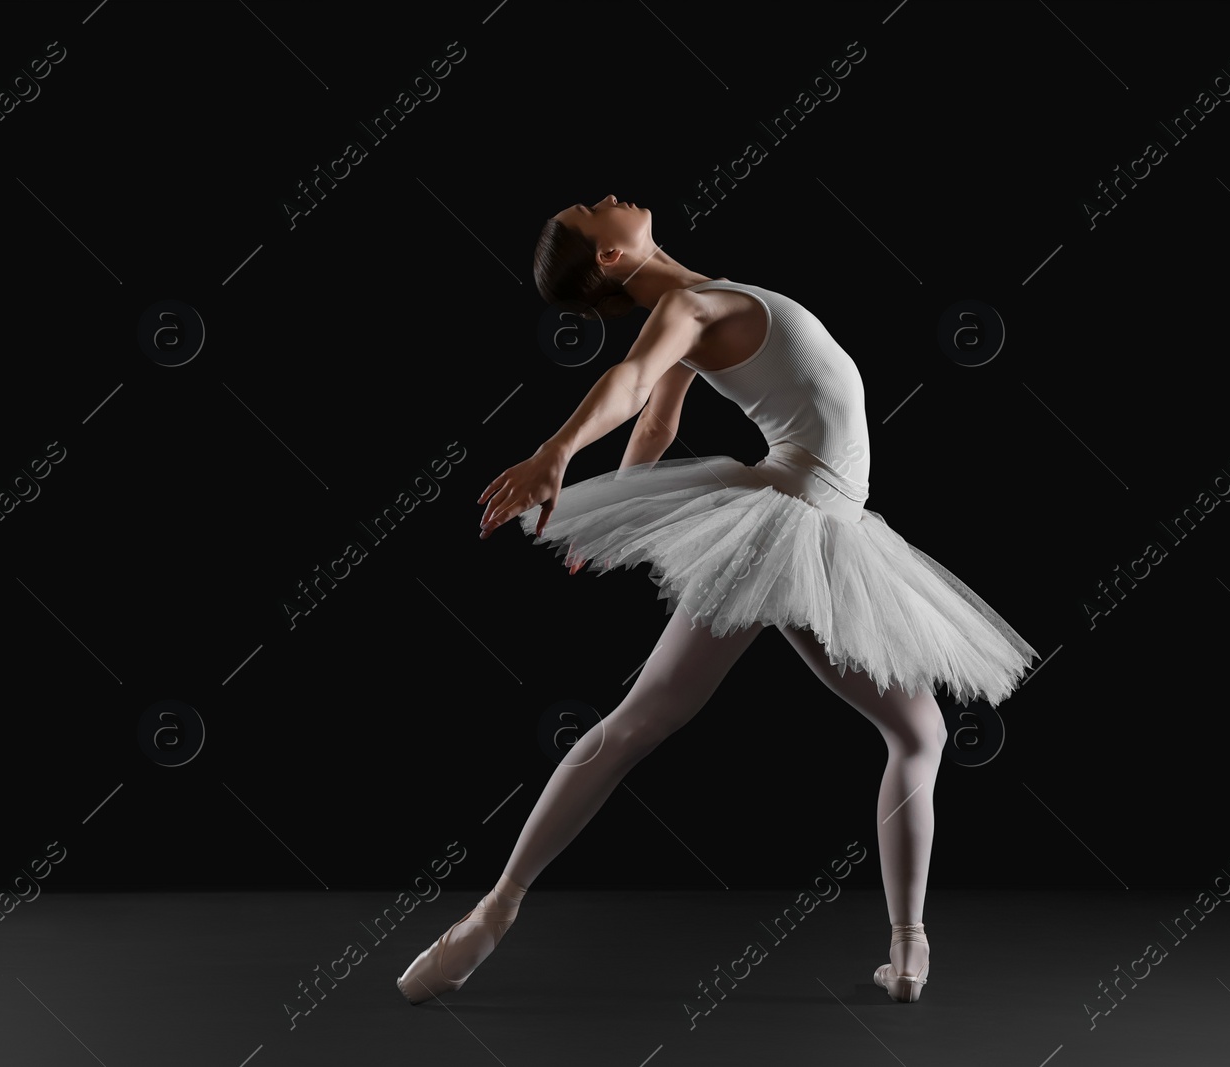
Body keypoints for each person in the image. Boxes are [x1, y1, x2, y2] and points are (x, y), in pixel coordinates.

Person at [397, 194, 1037, 1008]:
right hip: (792, 519)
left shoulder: (698, 308)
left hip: (828, 530)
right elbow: (631, 382)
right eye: (597, 211)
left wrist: (620, 507)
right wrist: (557, 452)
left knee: (917, 732)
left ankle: (909, 948)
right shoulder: (689, 307)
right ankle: (489, 915)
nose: (611, 197)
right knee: (641, 720)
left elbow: (659, 424)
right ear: (610, 259)